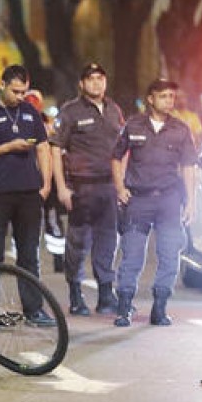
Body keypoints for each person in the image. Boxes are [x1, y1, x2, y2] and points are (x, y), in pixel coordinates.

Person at [0, 64, 54, 325]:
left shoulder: (30, 111)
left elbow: (43, 148)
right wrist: (6, 147)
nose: (20, 97)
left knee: (29, 255)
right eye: (15, 91)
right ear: (2, 85)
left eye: (24, 91)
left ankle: (34, 310)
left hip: (28, 194)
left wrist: (45, 184)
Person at [111, 78, 197, 327]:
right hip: (139, 200)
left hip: (170, 200)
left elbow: (189, 166)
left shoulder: (181, 129)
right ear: (150, 99)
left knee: (170, 255)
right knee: (132, 256)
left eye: (171, 96)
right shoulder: (133, 125)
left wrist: (191, 202)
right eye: (163, 96)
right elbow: (116, 156)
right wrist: (119, 187)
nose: (169, 101)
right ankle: (124, 307)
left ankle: (159, 308)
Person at [50, 63, 124, 316]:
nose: (96, 83)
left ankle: (106, 295)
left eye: (100, 78)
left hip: (108, 187)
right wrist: (61, 187)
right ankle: (75, 294)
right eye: (91, 79)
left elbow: (122, 150)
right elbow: (55, 149)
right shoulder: (70, 111)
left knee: (108, 242)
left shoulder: (114, 110)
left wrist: (122, 184)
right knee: (78, 243)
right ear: (81, 84)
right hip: (81, 186)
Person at [25, 89, 65, 274]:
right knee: (25, 220)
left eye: (35, 101)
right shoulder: (19, 122)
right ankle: (24, 258)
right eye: (29, 100)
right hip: (27, 179)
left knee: (52, 217)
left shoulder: (49, 124)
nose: (32, 104)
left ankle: (59, 258)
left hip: (47, 178)